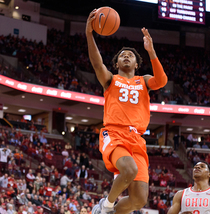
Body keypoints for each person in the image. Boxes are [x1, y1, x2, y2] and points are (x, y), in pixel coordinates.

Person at [86, 9, 167, 214]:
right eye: (122, 55)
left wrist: (151, 52)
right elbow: (96, 63)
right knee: (129, 169)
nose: (126, 57)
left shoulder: (144, 80)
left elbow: (162, 81)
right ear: (116, 63)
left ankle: (111, 212)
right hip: (114, 133)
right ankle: (105, 206)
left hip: (136, 138)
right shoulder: (110, 79)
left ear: (137, 64)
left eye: (130, 55)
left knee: (139, 200)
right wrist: (89, 34)